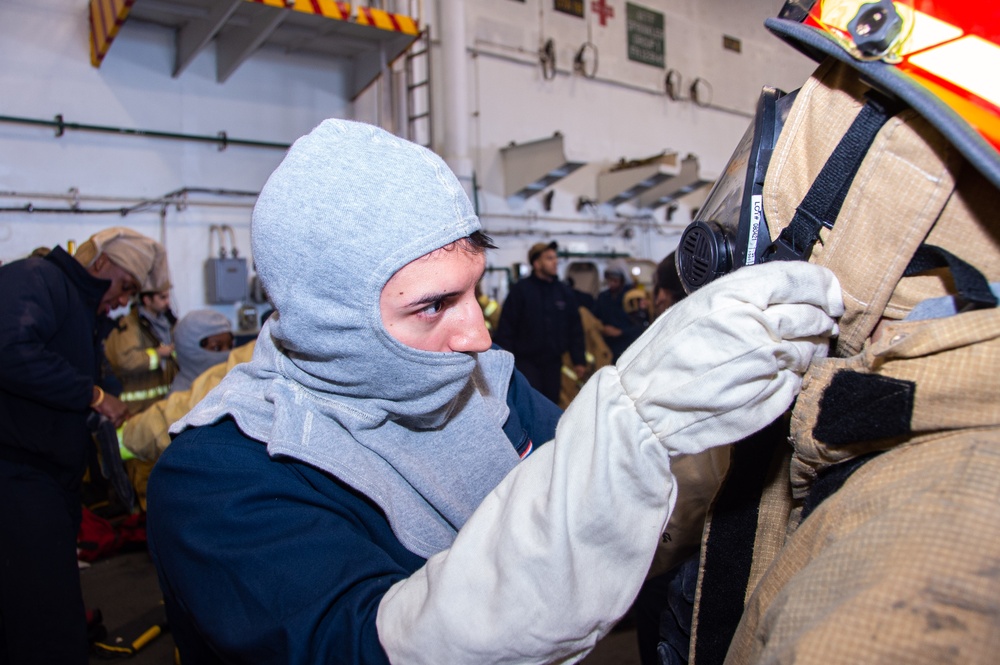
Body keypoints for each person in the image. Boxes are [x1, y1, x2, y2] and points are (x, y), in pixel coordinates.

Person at [144, 118, 842, 664]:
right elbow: (368, 647)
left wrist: (702, 441)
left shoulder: (486, 387)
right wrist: (631, 426)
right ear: (332, 315)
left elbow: (604, 523)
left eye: (476, 290)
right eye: (433, 305)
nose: (478, 334)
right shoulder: (224, 475)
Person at [648, 3, 1000, 664]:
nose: (768, 165)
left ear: (893, 194)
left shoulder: (920, 598)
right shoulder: (850, 401)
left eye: (800, 135)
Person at [0, 226, 168, 664]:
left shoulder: (80, 308)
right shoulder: (37, 279)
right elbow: (10, 350)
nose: (125, 301)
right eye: (126, 287)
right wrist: (92, 395)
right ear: (101, 265)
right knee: (40, 608)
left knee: (47, 601)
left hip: (50, 478)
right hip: (18, 476)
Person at [493, 241, 587, 403]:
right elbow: (506, 328)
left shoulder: (563, 292)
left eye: (555, 258)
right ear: (536, 263)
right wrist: (504, 363)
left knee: (551, 404)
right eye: (549, 258)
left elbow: (575, 328)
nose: (555, 261)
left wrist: (579, 360)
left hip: (553, 364)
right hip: (526, 363)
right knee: (530, 404)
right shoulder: (521, 291)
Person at [104, 285, 178, 415]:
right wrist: (158, 354)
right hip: (138, 409)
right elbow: (126, 361)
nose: (168, 302)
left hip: (166, 404)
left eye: (168, 297)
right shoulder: (129, 326)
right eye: (162, 297)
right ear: (147, 300)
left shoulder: (169, 323)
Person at [594, 260, 644, 361]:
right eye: (609, 280)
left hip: (629, 349)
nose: (611, 283)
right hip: (608, 350)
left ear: (622, 280)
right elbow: (595, 317)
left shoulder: (633, 298)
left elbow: (642, 327)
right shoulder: (603, 297)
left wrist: (620, 332)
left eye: (615, 280)